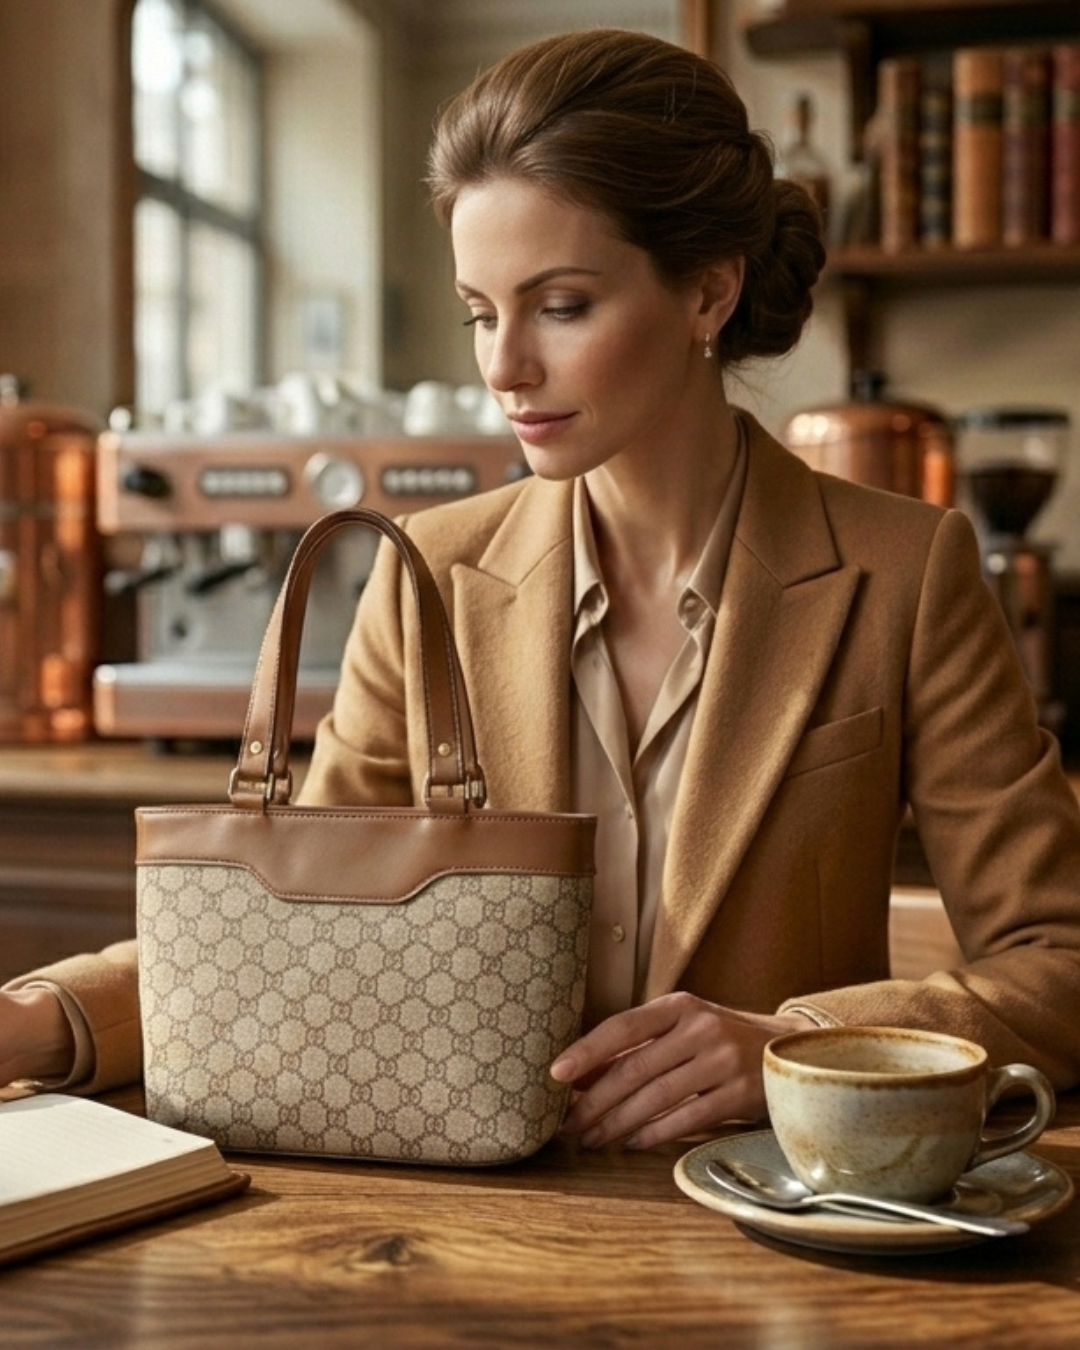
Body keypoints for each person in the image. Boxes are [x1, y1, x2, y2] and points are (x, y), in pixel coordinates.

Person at [4, 29, 1080, 1150]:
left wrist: (795, 1045)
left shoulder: (906, 570)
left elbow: (1061, 963)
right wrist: (39, 1019)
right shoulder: (427, 574)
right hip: (467, 1223)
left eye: (560, 306)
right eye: (481, 311)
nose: (503, 366)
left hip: (775, 1228)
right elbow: (283, 924)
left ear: (709, 291)